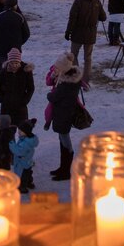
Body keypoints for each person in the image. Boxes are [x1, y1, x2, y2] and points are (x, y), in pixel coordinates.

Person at [46, 53, 83, 182]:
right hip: (64, 114)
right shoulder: (69, 79)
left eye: (57, 68)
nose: (55, 69)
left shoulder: (66, 85)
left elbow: (54, 97)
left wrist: (50, 95)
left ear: (64, 69)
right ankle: (63, 168)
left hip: (64, 115)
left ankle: (66, 171)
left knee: (65, 142)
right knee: (63, 141)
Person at [64, 0, 106, 81]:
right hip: (90, 34)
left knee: (73, 56)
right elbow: (103, 17)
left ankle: (77, 77)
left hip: (77, 33)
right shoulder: (97, 2)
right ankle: (86, 79)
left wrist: (68, 31)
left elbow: (72, 18)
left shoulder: (78, 2)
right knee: (88, 58)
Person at [0, 0, 30, 76]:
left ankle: (1, 86)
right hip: (15, 50)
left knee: (1, 70)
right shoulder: (20, 17)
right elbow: (26, 34)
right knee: (14, 70)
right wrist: (19, 42)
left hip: (0, 49)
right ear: (15, 6)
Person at [0, 48, 35, 125]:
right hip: (6, 107)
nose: (14, 65)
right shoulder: (4, 71)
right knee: (5, 130)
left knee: (23, 129)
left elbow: (31, 88)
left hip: (20, 107)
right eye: (12, 63)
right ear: (9, 62)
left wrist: (25, 100)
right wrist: (1, 98)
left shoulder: (26, 71)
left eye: (16, 63)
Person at [10, 118, 39, 193]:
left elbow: (19, 151)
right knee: (28, 172)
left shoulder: (25, 143)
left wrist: (12, 145)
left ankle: (22, 187)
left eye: (21, 131)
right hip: (27, 161)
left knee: (22, 175)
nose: (18, 132)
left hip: (22, 163)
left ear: (26, 132)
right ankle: (29, 183)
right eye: (19, 130)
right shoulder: (27, 139)